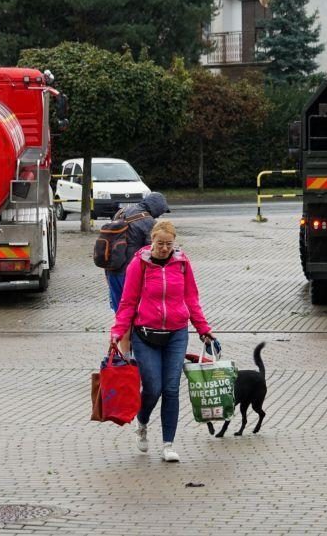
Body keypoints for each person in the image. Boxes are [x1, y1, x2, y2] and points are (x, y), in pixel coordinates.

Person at [110, 220, 214, 462]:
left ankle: (168, 444)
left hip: (176, 333)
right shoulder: (140, 264)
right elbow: (127, 302)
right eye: (160, 244)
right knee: (153, 387)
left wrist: (203, 329)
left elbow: (192, 298)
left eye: (169, 244)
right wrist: (117, 331)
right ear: (152, 241)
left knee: (171, 388)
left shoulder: (182, 263)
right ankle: (143, 420)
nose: (164, 248)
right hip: (145, 333)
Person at [105, 192, 170, 311]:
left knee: (119, 309)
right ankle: (132, 330)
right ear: (156, 207)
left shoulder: (122, 211)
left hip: (112, 267)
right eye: (161, 211)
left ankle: (120, 329)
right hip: (130, 272)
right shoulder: (149, 222)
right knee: (132, 309)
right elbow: (153, 250)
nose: (160, 215)